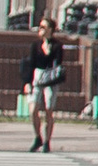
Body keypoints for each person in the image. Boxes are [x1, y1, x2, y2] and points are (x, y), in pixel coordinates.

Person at [26, 15, 68, 155]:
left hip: (50, 79)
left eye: (43, 27)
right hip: (37, 77)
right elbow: (31, 64)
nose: (40, 29)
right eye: (40, 27)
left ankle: (47, 141)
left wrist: (49, 53)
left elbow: (58, 63)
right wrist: (27, 83)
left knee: (48, 109)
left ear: (50, 29)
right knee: (33, 109)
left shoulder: (57, 45)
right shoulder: (35, 45)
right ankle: (38, 136)